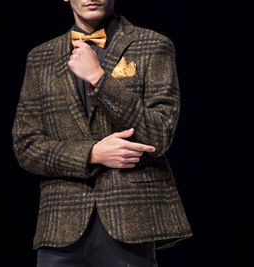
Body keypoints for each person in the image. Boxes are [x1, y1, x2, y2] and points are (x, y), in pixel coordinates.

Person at [12, 0, 193, 266]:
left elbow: (159, 134)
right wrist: (92, 154)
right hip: (61, 225)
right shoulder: (40, 57)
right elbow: (26, 147)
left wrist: (99, 78)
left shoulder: (153, 45)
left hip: (131, 221)